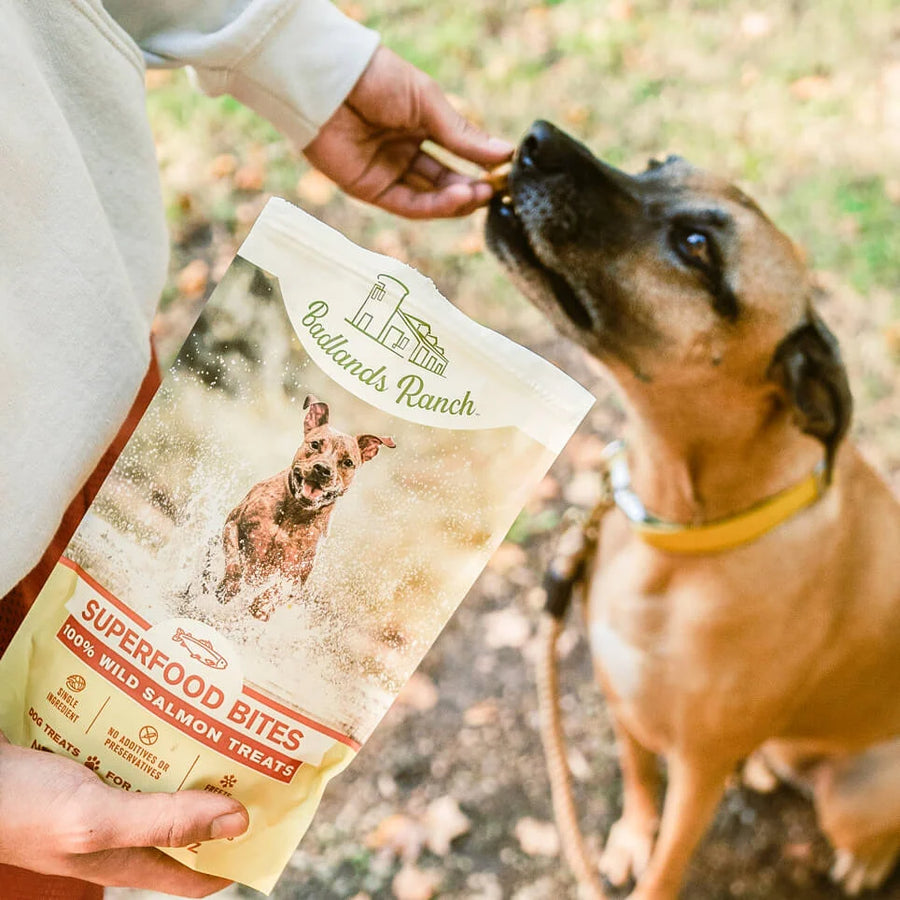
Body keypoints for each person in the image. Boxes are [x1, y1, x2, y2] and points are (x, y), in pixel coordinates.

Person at [0, 2, 513, 896]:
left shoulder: (317, 484)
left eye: (332, 469)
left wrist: (284, 46)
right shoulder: (283, 485)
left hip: (90, 394)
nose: (318, 473)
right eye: (317, 459)